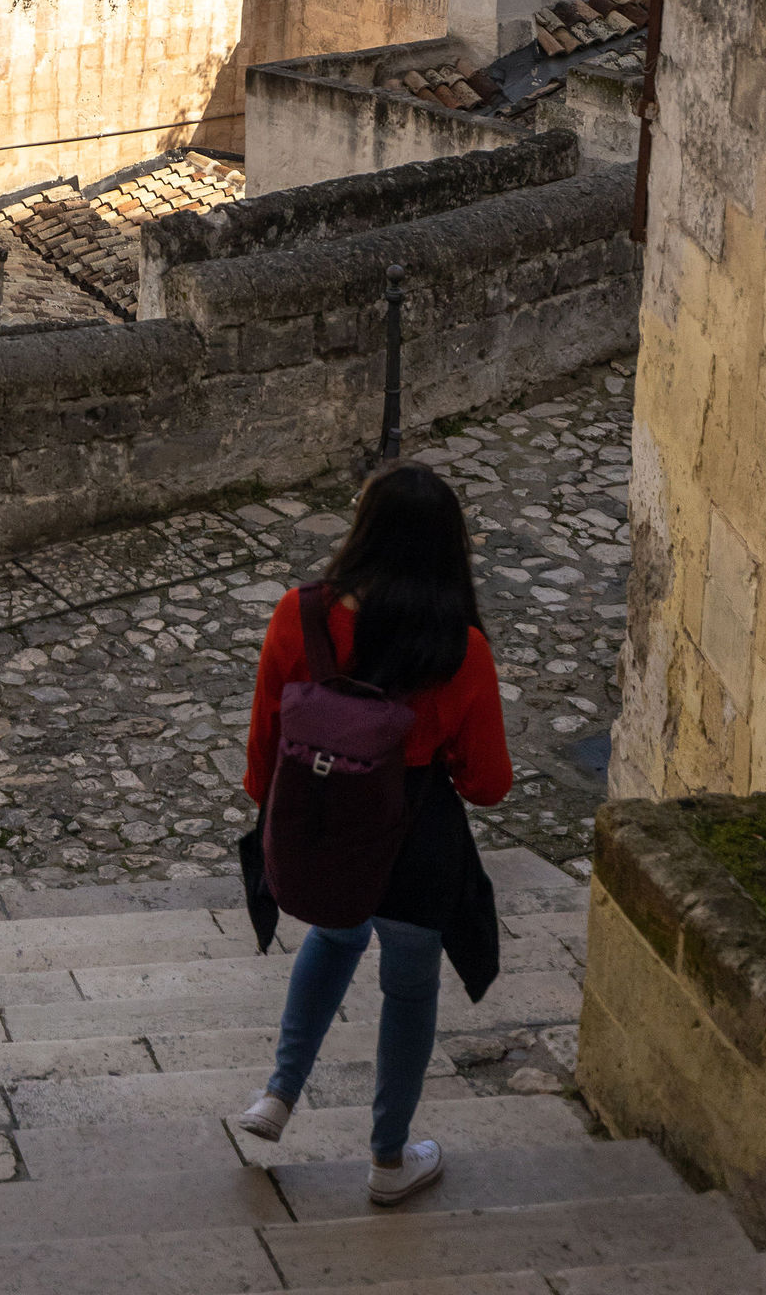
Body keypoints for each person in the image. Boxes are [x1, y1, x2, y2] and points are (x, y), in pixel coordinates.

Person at [236, 462, 512, 1207]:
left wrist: (275, 819)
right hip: (416, 843)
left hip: (326, 824)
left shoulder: (300, 616)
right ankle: (388, 1160)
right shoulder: (461, 649)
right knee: (411, 986)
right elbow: (489, 783)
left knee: (333, 936)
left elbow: (266, 735)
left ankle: (279, 1095)